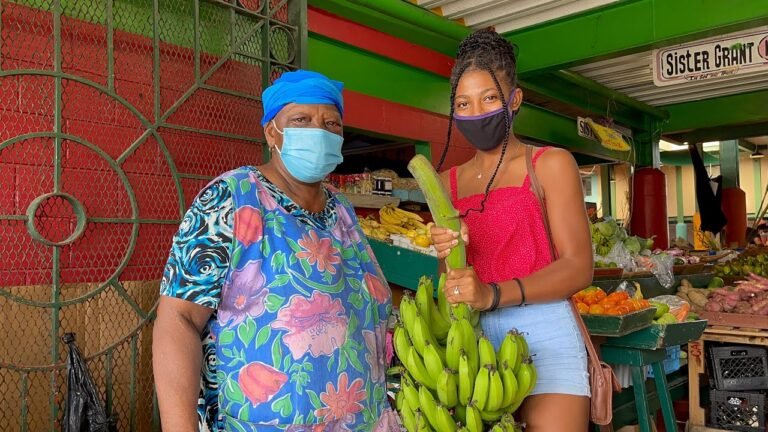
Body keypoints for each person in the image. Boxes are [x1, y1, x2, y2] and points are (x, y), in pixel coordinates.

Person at [153, 70, 398, 431]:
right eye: (302, 119)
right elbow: (179, 320)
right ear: (272, 132)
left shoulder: (342, 211)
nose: (319, 131)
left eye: (331, 123)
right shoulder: (231, 199)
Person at [429, 30, 594, 432]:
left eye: (489, 98)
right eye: (463, 104)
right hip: (471, 339)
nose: (476, 112)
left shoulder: (550, 164)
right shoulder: (445, 182)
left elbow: (578, 267)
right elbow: (450, 283)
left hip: (545, 329)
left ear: (514, 100)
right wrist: (447, 255)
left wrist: (494, 294)